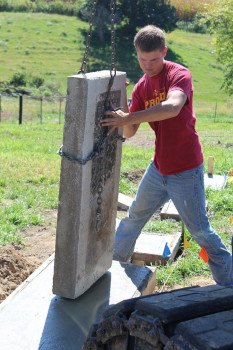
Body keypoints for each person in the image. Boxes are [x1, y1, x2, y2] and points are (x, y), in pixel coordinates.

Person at [101, 25, 233, 287]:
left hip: (185, 169)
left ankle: (229, 284)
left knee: (199, 231)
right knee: (133, 218)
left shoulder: (178, 73)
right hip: (158, 168)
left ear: (164, 52)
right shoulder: (141, 87)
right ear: (137, 53)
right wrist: (125, 105)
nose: (148, 65)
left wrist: (131, 116)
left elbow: (173, 107)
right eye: (142, 59)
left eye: (154, 59)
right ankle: (112, 273)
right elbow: (128, 132)